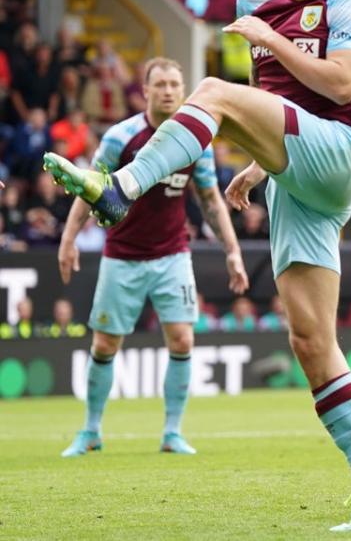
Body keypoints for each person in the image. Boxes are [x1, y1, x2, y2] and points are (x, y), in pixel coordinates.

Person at [43, 0, 351, 531]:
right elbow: (275, 100)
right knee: (310, 340)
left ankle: (120, 189)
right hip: (293, 173)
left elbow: (343, 87)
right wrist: (264, 164)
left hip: (340, 153)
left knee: (208, 88)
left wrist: (271, 42)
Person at [56, 57, 248, 458]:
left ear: (183, 89)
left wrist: (232, 250)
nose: (167, 90)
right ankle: (90, 430)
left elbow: (210, 198)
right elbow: (89, 188)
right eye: (159, 83)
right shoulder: (120, 137)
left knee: (182, 338)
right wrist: (69, 238)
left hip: (172, 254)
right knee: (106, 344)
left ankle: (172, 433)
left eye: (175, 84)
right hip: (121, 255)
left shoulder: (197, 140)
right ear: (144, 90)